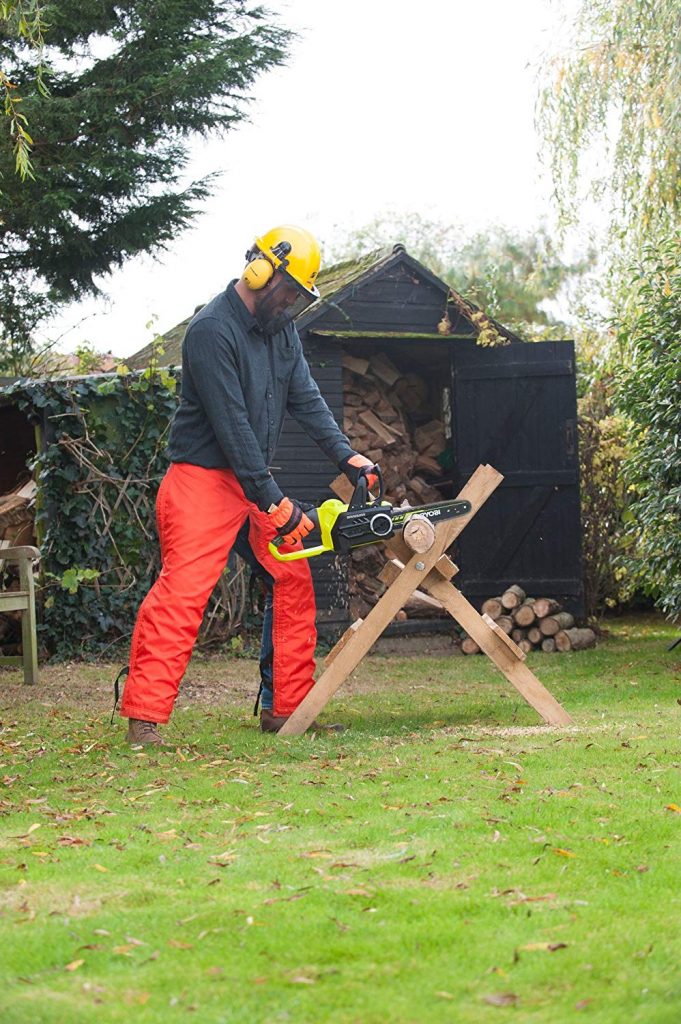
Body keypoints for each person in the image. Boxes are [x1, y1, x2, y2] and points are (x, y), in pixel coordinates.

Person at [119, 225, 375, 744]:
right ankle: (144, 720)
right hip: (202, 481)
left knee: (292, 577)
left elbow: (304, 398)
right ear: (261, 272)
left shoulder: (281, 331)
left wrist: (347, 455)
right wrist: (275, 501)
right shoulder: (211, 331)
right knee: (184, 592)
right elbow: (232, 427)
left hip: (253, 479)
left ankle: (286, 711)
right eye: (289, 293)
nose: (291, 306)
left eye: (300, 299)